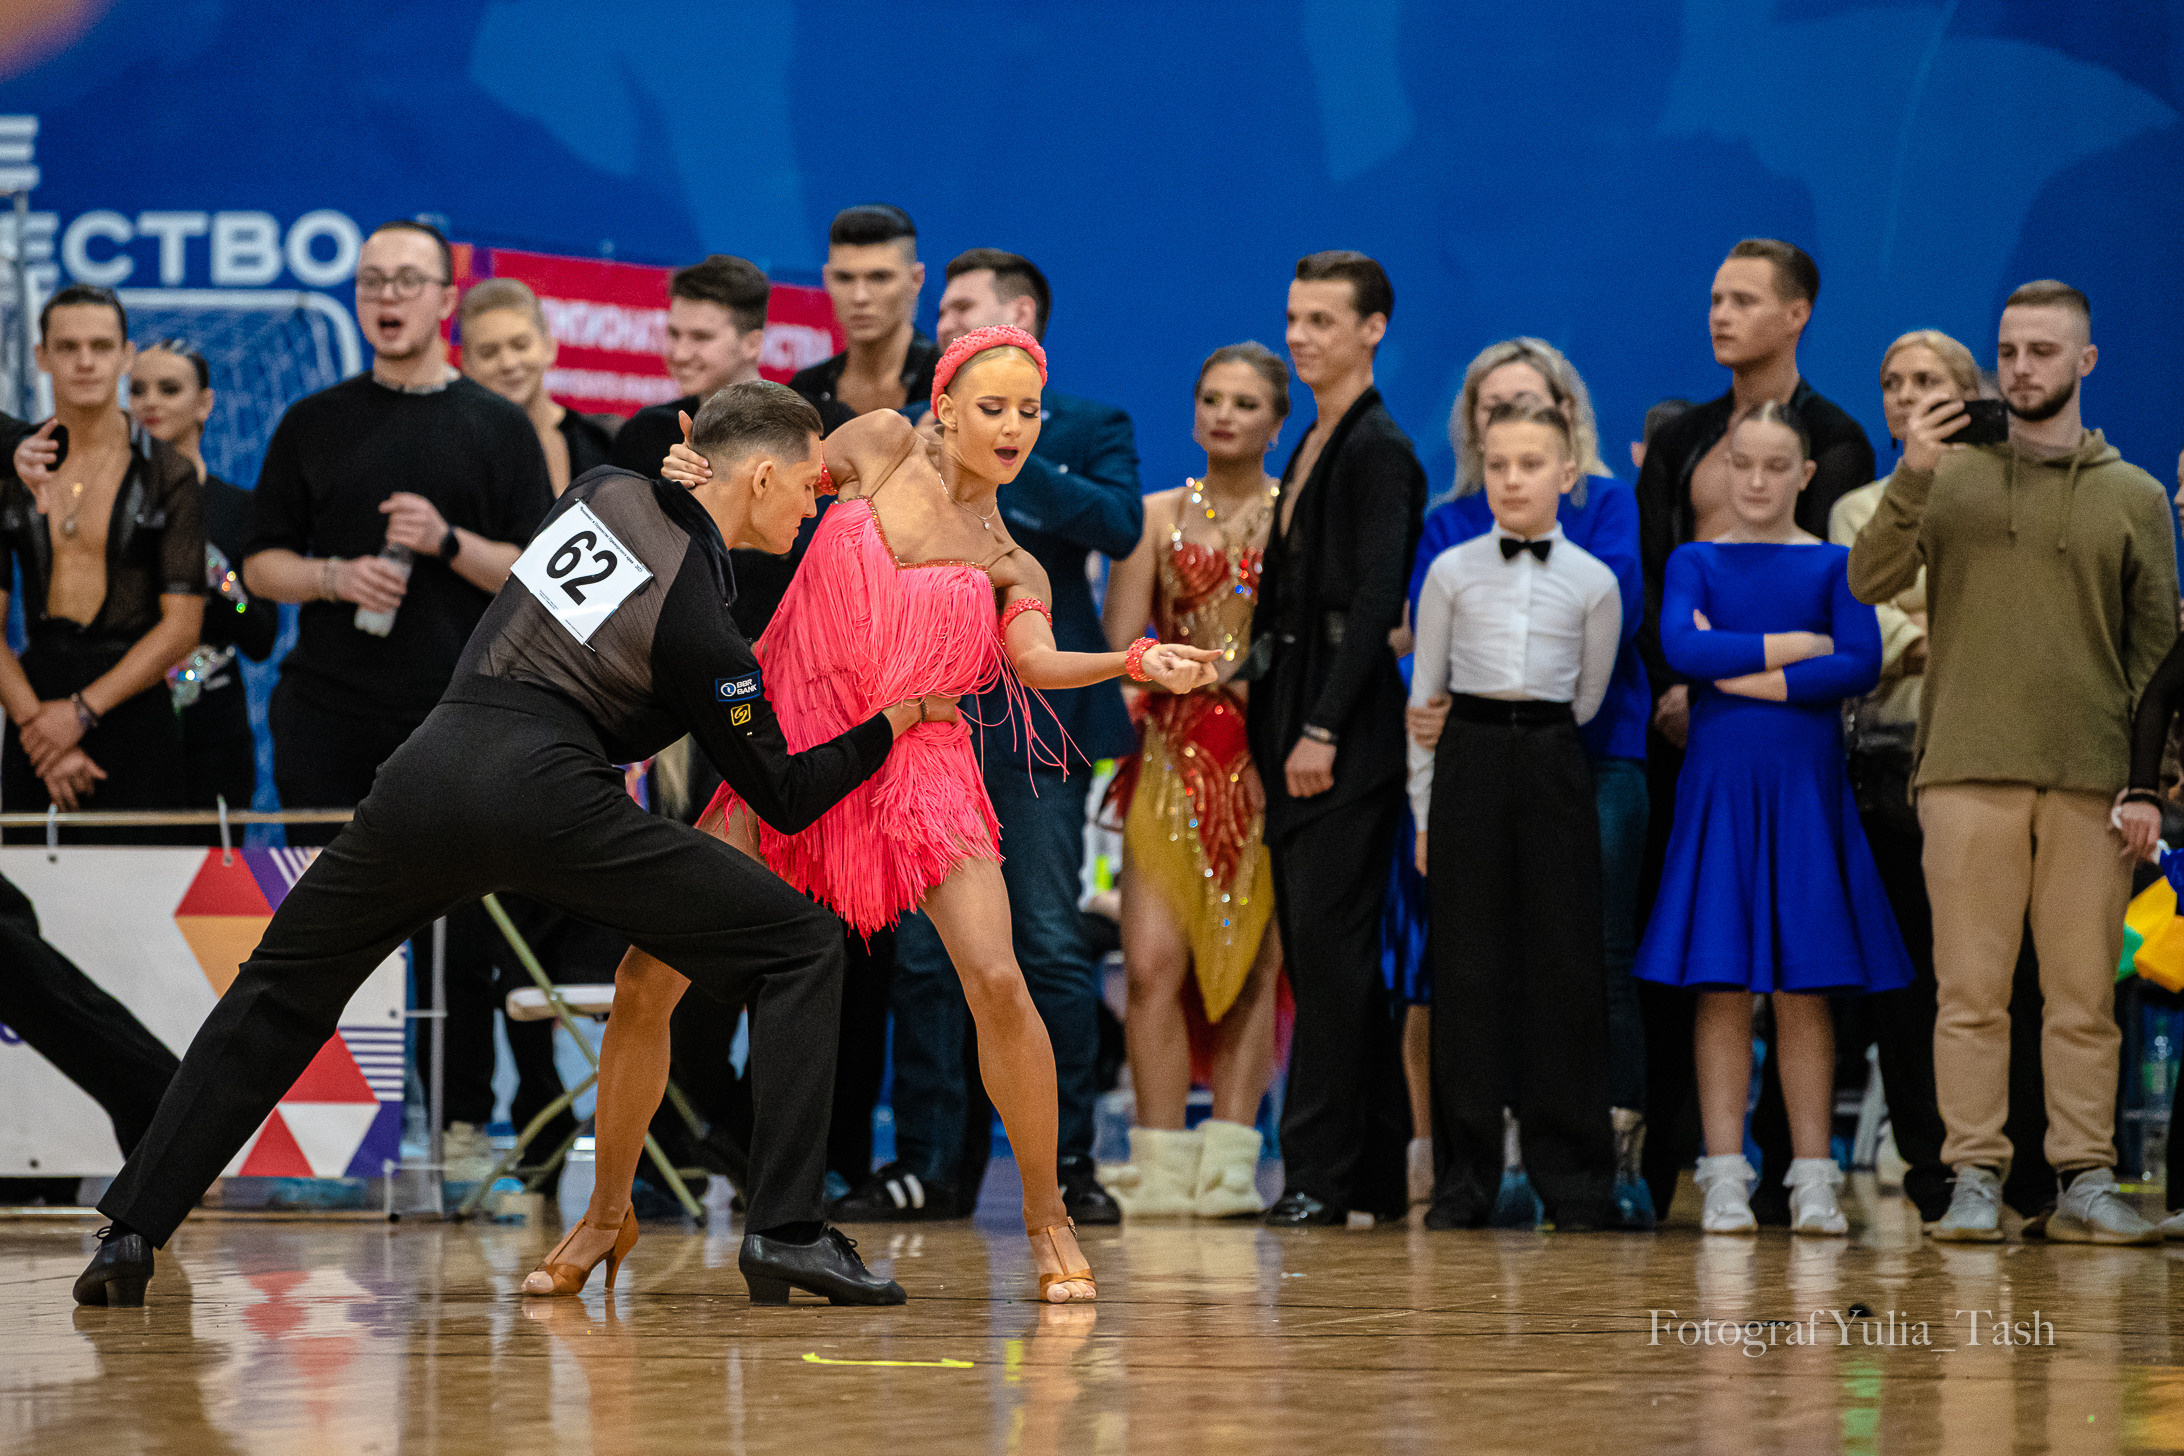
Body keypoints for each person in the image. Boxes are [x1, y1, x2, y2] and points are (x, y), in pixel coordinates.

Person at [73, 380, 939, 1309]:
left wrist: (687, 462)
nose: (815, 507)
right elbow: (787, 795)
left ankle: (130, 1231)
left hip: (426, 775)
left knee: (278, 990)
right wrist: (896, 720)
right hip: (550, 800)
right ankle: (788, 1233)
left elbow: (662, 466)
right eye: (808, 486)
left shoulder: (601, 491)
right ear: (760, 477)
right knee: (800, 945)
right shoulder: (701, 621)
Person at [595, 325, 1218, 1303]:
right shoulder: (879, 443)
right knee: (647, 977)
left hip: (922, 766)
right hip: (797, 744)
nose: (1014, 427)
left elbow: (1034, 664)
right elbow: (768, 486)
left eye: (1029, 411)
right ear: (945, 408)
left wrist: (1136, 659)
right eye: (994, 407)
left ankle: (1048, 1216)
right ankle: (604, 1214)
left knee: (999, 980)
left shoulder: (1011, 558)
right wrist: (697, 475)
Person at [1851, 280, 2176, 1246]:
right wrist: (1913, 473)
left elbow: (2158, 655)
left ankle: (2084, 1179)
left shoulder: (2134, 494)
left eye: (2043, 350)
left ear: (2085, 361)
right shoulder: (1946, 478)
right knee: (1969, 994)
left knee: (2083, 997)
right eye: (2009, 351)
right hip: (1962, 768)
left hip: (2091, 778)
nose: (2022, 368)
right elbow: (1867, 580)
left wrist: (2150, 780)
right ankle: (1974, 1179)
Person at [240, 219, 555, 1181]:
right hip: (328, 713)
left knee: (461, 932)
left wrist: (447, 541)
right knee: (321, 929)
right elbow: (257, 567)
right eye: (371, 280)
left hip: (458, 716)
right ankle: (320, 1142)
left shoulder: (496, 426)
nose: (387, 297)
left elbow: (539, 575)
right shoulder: (314, 421)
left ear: (445, 299)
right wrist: (334, 578)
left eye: (407, 281)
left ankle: (461, 1127)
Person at [859, 250, 1142, 1226]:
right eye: (943, 312)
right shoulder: (909, 434)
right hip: (927, 717)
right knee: (926, 952)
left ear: (1019, 315)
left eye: (961, 307)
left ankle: (1066, 1166)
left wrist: (1008, 449)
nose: (942, 324)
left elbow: (1118, 525)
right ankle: (930, 1166)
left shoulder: (1087, 427)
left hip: (1037, 729)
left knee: (1051, 942)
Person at [1633, 241, 1874, 1224]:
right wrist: (1784, 654)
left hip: (1803, 777)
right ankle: (1720, 1170)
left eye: (1779, 467)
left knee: (1807, 979)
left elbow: (1858, 661)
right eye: (1745, 465)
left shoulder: (1834, 552)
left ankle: (1811, 1173)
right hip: (1715, 775)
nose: (1760, 480)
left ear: (1807, 472)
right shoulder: (1697, 549)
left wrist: (1738, 674)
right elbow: (1676, 639)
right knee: (1718, 975)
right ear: (1722, 467)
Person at [1401, 338, 1652, 1226]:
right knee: (1466, 968)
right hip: (1466, 754)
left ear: (1567, 471)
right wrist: (1425, 811)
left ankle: (1574, 1177)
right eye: (1500, 464)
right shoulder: (1449, 569)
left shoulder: (1593, 581)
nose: (1512, 480)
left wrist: (1540, 740)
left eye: (1532, 464)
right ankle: (1466, 1180)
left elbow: (1589, 694)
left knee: (1566, 965)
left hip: (1552, 753)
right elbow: (1425, 691)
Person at [1248, 251, 1425, 1227]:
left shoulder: (1379, 449)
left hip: (1341, 729)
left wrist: (1321, 726)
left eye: (1321, 320)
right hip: (1295, 710)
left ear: (1373, 329)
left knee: (1330, 953)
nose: (1300, 336)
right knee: (1324, 955)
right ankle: (1370, 1175)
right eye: (1293, 317)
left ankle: (1318, 1174)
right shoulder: (1316, 437)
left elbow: (1374, 602)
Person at [1097, 342, 1289, 1218]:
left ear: (1277, 422)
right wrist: (1162, 668)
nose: (1224, 415)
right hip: (1170, 759)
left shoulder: (1300, 516)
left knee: (1251, 966)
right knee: (1150, 966)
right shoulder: (1153, 516)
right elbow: (1120, 648)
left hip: (1267, 763)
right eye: (1211, 398)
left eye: (1245, 403)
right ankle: (1163, 1166)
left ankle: (1229, 1169)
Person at [1825, 329, 1982, 1229]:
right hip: (1893, 762)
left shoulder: (2002, 492)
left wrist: (1928, 623)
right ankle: (1930, 1164)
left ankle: (2008, 1157)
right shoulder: (1858, 510)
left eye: (1926, 379)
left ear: (1970, 392)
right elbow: (1870, 628)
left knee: (1993, 973)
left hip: (1989, 760)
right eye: (1891, 381)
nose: (1905, 393)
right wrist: (1944, 628)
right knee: (1907, 977)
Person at [3, 286, 203, 839]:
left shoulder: (168, 473)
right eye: (68, 347)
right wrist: (37, 728)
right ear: (42, 357)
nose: (86, 361)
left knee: (145, 886)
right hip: (33, 706)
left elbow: (183, 627)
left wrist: (80, 712)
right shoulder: (14, 471)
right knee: (24, 888)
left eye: (101, 346)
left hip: (133, 705)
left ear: (125, 355)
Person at [124, 339, 280, 825]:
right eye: (137, 390)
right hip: (126, 724)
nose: (150, 402)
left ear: (205, 404)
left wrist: (225, 582)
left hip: (214, 733)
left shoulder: (240, 509)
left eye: (169, 389)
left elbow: (260, 636)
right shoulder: (108, 505)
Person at [458, 277, 617, 495]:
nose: (508, 363)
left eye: (520, 345)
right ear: (466, 365)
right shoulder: (457, 454)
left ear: (549, 347)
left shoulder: (603, 440)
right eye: (489, 353)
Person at [789, 204, 938, 433]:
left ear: (916, 280)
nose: (860, 297)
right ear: (827, 280)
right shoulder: (804, 392)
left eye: (879, 277)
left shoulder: (950, 384)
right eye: (844, 278)